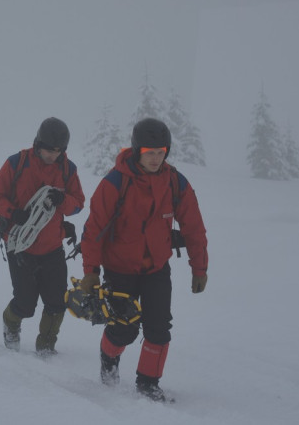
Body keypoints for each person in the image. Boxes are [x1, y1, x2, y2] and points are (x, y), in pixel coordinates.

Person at [77, 118, 208, 402]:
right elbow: (93, 231)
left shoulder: (176, 182)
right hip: (119, 268)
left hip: (156, 269)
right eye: (150, 152)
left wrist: (199, 268)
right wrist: (91, 272)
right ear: (137, 150)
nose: (156, 158)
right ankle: (108, 360)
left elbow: (194, 227)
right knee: (124, 329)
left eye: (161, 152)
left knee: (158, 328)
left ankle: (148, 384)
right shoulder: (115, 182)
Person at [0, 117, 85, 356]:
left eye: (58, 151)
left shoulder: (67, 169)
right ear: (38, 144)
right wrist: (13, 213)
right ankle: (11, 325)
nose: (52, 155)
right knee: (25, 303)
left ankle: (46, 347)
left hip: (52, 246)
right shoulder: (17, 163)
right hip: (19, 245)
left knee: (57, 302)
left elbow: (78, 204)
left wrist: (63, 201)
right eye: (48, 150)